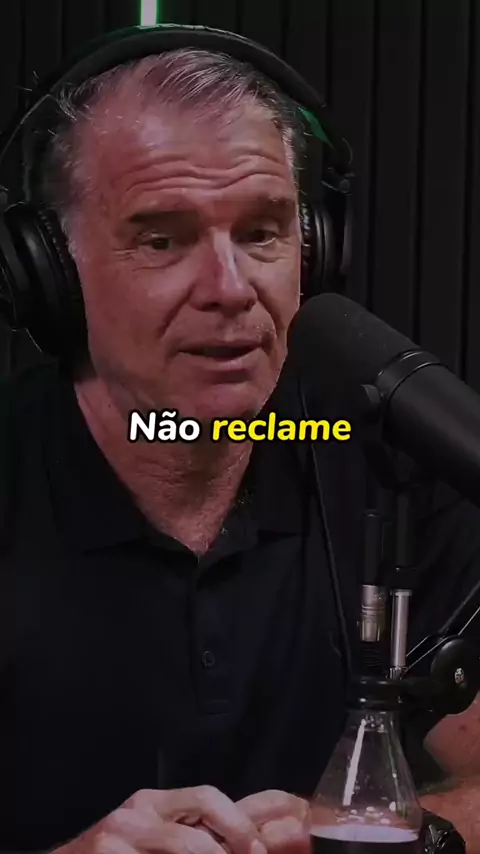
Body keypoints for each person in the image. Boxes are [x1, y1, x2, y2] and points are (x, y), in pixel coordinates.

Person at [0, 35, 479, 854]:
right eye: (161, 239)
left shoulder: (394, 469)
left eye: (262, 232)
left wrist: (409, 835)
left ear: (315, 248)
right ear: (50, 271)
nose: (229, 289)